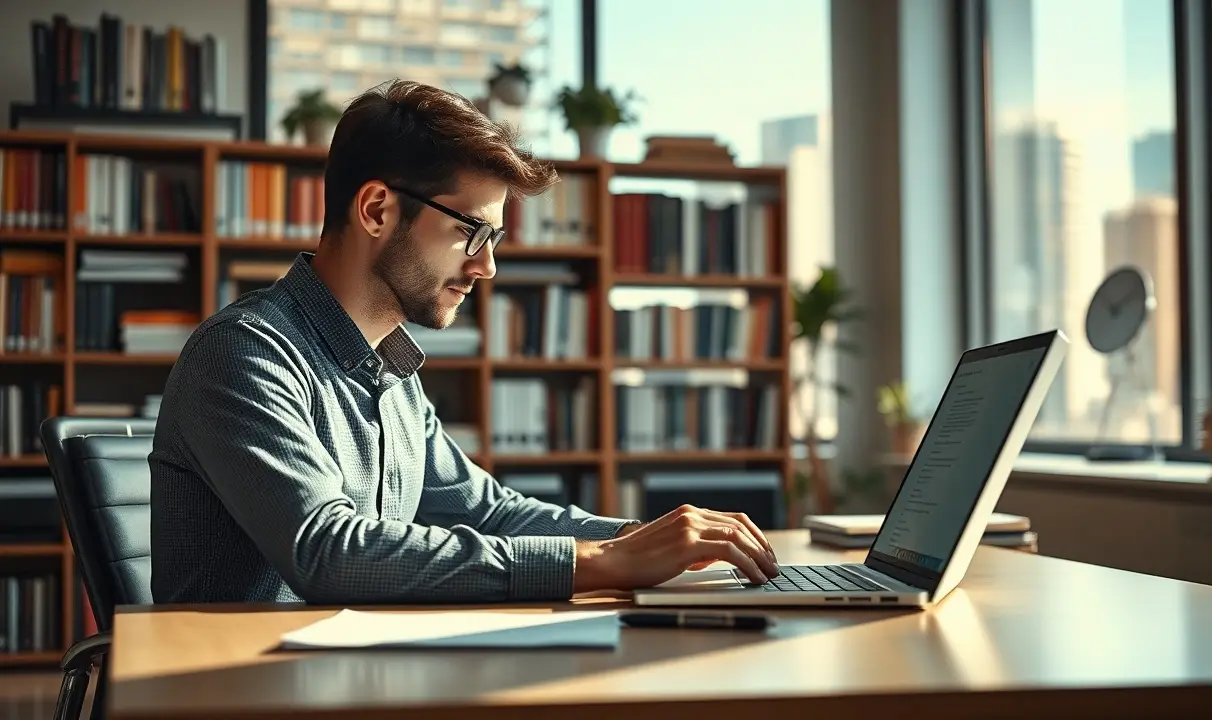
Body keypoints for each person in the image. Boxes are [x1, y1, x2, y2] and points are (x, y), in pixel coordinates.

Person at [149, 80, 781, 605]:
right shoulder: (243, 356)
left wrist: (649, 539)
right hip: (236, 690)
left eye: (494, 240)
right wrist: (599, 562)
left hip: (345, 676)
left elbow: (488, 512)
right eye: (471, 233)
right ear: (376, 210)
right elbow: (331, 554)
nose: (487, 268)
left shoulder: (390, 371)